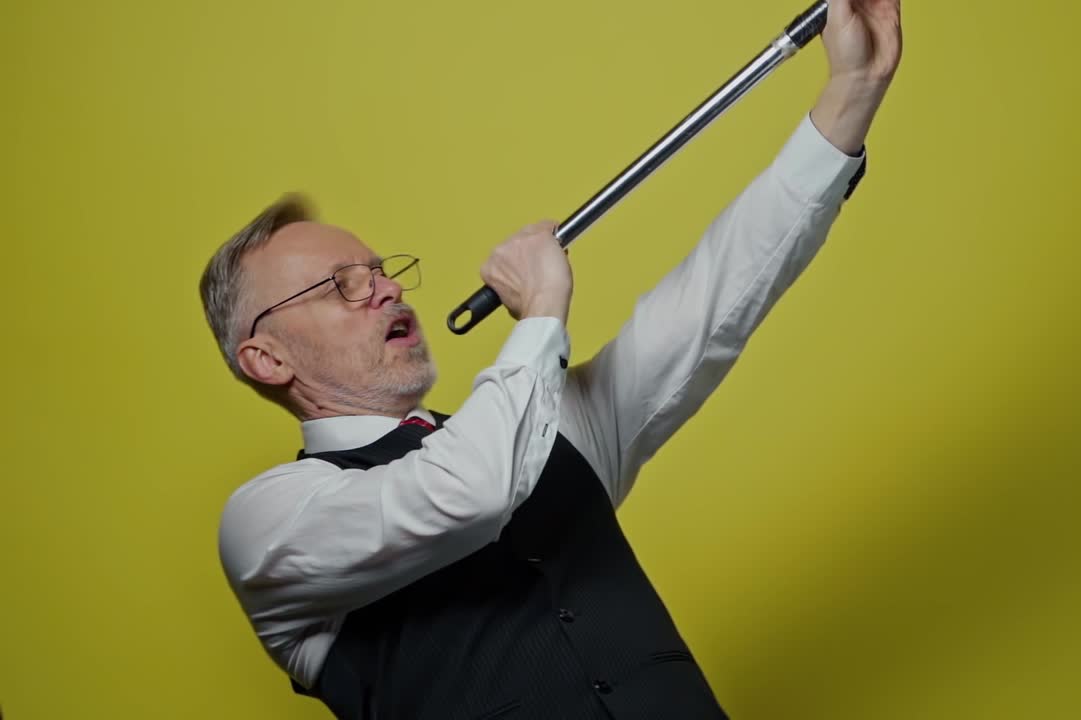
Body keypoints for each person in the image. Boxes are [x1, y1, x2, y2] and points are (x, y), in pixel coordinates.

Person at [203, 2, 902, 717]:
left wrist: (853, 87)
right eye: (341, 287)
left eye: (379, 270)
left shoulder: (547, 426)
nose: (382, 288)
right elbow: (465, 493)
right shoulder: (270, 522)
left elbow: (714, 298)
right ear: (266, 359)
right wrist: (541, 313)